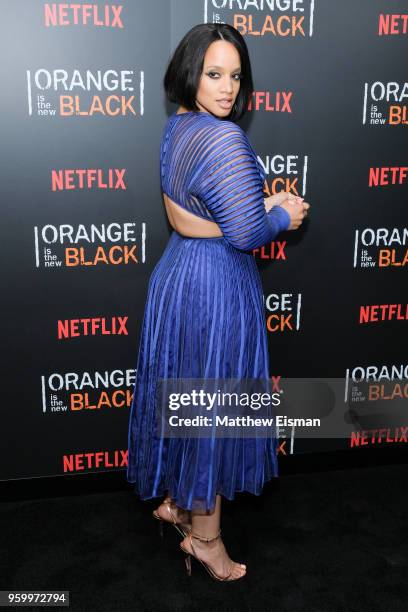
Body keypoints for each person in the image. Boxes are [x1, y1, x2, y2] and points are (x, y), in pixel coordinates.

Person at [127, 23, 310, 582]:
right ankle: (206, 541)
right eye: (214, 74)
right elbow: (250, 231)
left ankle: (180, 504)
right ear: (190, 72)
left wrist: (216, 223)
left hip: (178, 278)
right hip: (215, 290)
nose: (228, 87)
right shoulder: (225, 138)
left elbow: (182, 214)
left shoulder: (177, 127)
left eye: (235, 75)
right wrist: (283, 213)